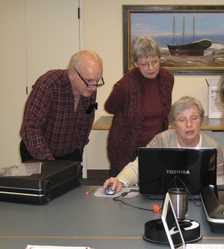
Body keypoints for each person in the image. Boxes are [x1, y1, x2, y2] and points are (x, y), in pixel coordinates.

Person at [103, 96, 224, 192]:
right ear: (173, 124)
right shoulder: (162, 140)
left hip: (201, 201)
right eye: (182, 119)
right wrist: (120, 180)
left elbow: (219, 182)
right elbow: (140, 165)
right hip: (164, 198)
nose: (189, 124)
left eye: (194, 118)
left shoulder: (213, 147)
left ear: (201, 120)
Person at [105, 36, 174, 176]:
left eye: (155, 62)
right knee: (124, 191)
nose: (151, 68)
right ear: (136, 63)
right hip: (126, 148)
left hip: (156, 147)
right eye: (144, 64)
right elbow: (110, 107)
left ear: (160, 58)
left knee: (153, 187)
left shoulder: (167, 78)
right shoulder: (125, 85)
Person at [20, 50, 104, 162]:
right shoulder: (49, 84)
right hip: (37, 153)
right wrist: (51, 164)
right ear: (73, 73)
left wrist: (79, 149)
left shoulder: (89, 88)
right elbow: (30, 128)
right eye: (89, 80)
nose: (94, 88)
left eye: (97, 81)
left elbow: (87, 119)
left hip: (69, 153)